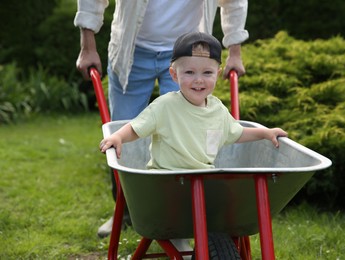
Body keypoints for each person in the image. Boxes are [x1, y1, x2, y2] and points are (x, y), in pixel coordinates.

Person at [74, 0, 250, 238]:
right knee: (122, 136)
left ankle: (177, 221)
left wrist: (235, 52)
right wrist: (87, 46)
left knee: (185, 133)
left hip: (190, 58)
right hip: (131, 48)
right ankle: (124, 212)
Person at [100, 31, 287, 180]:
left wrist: (265, 133)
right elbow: (136, 127)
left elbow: (235, 132)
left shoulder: (218, 109)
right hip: (166, 179)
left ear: (217, 74)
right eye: (189, 72)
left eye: (207, 73)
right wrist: (118, 136)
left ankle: (213, 228)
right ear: (174, 75)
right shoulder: (165, 106)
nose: (198, 80)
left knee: (219, 211)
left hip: (204, 179)